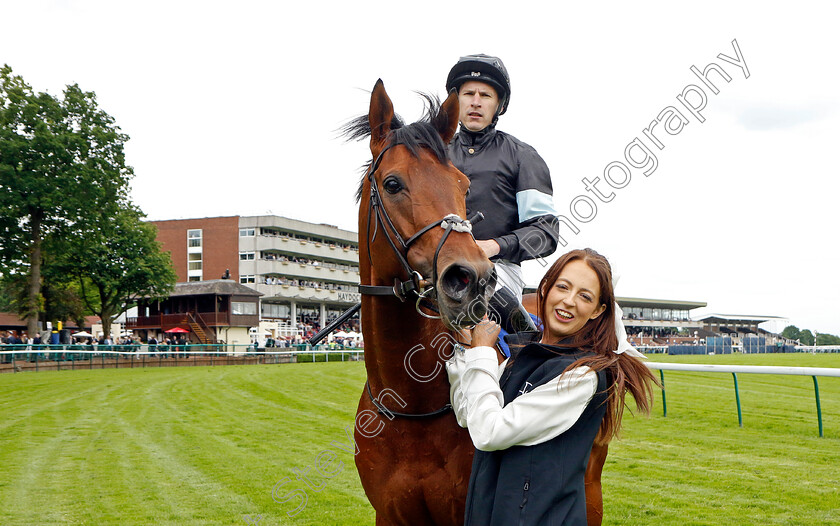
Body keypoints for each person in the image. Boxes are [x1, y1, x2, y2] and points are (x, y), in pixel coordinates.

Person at [447, 248, 658, 525]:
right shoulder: (525, 355)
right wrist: (465, 349)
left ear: (598, 310)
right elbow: (468, 414)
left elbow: (490, 432)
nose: (569, 301)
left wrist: (483, 352)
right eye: (563, 287)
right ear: (545, 288)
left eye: (585, 296)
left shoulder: (583, 375)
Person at [445, 54, 560, 308]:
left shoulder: (523, 157)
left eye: (485, 96)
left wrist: (494, 246)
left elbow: (546, 232)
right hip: (436, 267)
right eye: (468, 94)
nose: (476, 102)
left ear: (499, 104)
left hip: (498, 271)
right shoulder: (432, 155)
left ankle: (522, 347)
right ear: (456, 101)